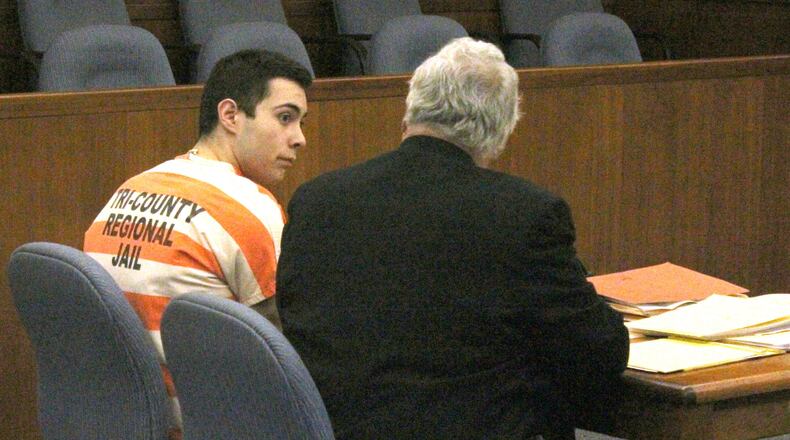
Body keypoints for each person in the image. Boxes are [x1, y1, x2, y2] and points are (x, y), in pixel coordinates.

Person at [276, 38, 628, 439]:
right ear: (502, 131)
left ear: (409, 112)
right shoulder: (524, 214)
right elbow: (600, 351)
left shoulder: (317, 200)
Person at [83, 49, 312, 436]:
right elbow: (287, 356)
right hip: (210, 421)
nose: (300, 139)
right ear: (230, 116)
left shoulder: (128, 190)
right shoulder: (249, 208)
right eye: (285, 118)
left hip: (126, 418)